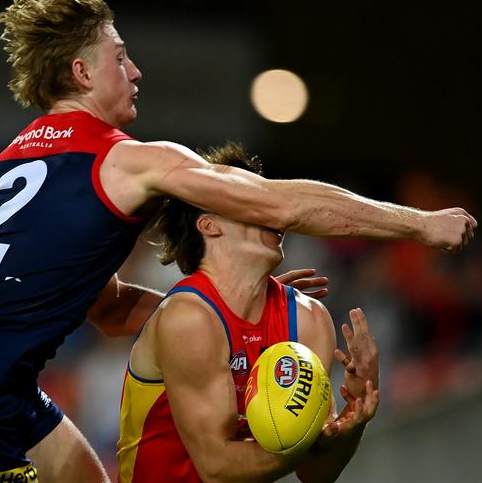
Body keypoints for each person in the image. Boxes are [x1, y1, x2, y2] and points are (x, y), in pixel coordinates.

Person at [0, 0, 473, 481]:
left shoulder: (9, 163)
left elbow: (108, 307)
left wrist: (227, 318)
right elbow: (281, 203)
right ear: (82, 72)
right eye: (120, 58)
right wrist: (419, 224)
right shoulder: (123, 160)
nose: (136, 71)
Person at [117, 142, 379, 482]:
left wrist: (354, 414)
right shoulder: (189, 317)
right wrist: (309, 442)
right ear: (209, 225)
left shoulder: (309, 318)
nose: (274, 209)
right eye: (251, 199)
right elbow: (217, 467)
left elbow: (316, 475)